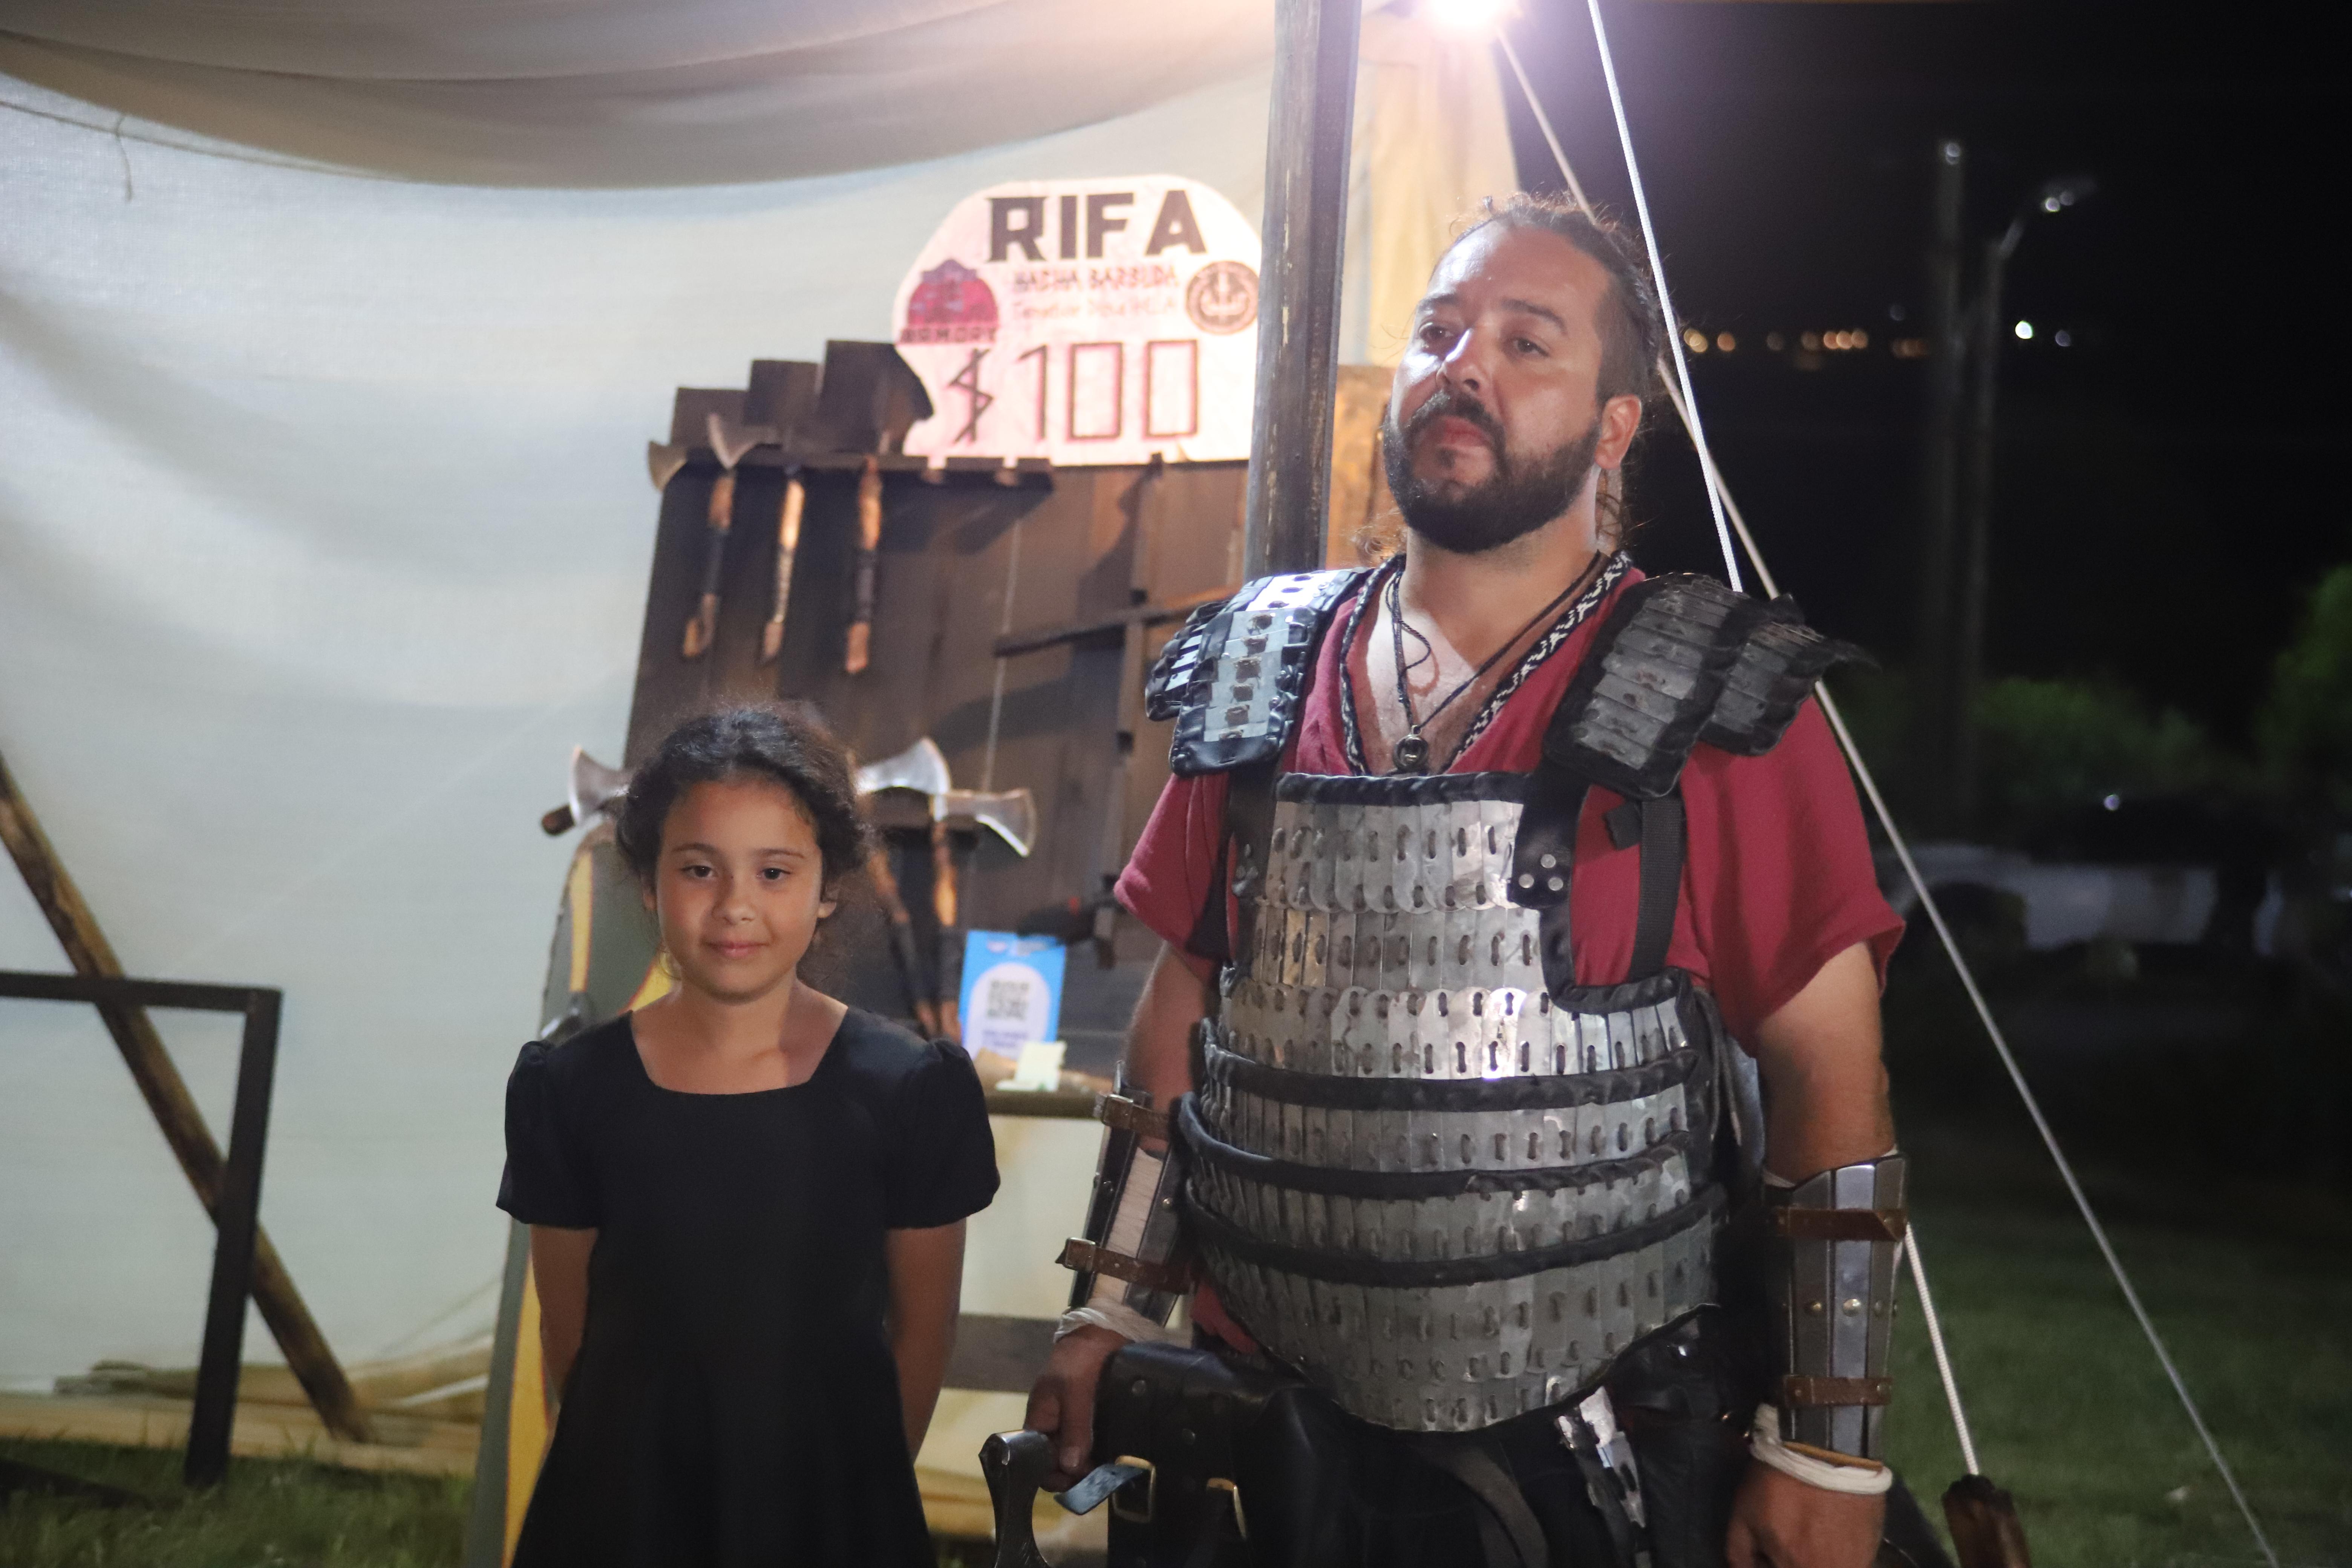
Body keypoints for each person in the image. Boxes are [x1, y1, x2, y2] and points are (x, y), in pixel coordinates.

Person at [1022, 195, 1921, 1568]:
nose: (1466, 366)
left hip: (1595, 1436)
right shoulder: (1261, 665)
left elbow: (1828, 1066)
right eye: (1440, 331)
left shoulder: (1714, 699)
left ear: (1613, 427)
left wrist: (1826, 1450)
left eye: (1526, 341)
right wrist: (1113, 1307)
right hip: (1267, 1414)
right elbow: (1187, 1001)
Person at [498, 706, 998, 1567]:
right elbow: (572, 1340)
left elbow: (922, 1337)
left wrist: (853, 1494)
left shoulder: (908, 1091)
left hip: (830, 1516)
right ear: (649, 881)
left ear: (827, 885)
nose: (736, 905)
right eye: (700, 869)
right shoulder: (571, 1090)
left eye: (773, 872)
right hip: (623, 1515)